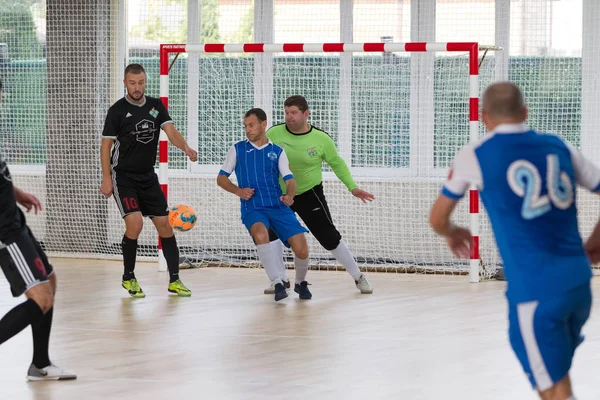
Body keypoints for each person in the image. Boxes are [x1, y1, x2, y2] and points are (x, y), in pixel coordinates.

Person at [430, 82, 598, 400]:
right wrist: (595, 243)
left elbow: (437, 219)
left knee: (554, 390)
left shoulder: (475, 154)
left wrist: (453, 232)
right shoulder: (559, 144)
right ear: (525, 112)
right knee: (556, 379)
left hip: (536, 292)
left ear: (484, 118)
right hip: (579, 284)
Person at [0, 78, 76, 380]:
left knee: (50, 282)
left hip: (15, 223)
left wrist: (16, 193)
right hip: (5, 233)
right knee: (42, 296)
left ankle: (40, 364)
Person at [100, 64, 197, 298]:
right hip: (123, 177)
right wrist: (106, 178)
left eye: (141, 82)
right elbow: (106, 146)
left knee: (164, 225)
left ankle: (174, 280)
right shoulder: (117, 111)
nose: (137, 87)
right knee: (135, 224)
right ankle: (129, 277)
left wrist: (185, 147)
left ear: (145, 82)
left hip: (148, 176)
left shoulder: (155, 106)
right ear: (125, 83)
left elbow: (171, 131)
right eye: (132, 83)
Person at [265, 95, 374, 294]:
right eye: (286, 113)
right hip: (278, 195)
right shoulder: (273, 133)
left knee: (329, 237)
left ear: (306, 114)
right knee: (272, 237)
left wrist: (352, 187)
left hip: (309, 194)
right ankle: (279, 280)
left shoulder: (321, 139)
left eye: (294, 113)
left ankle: (358, 277)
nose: (289, 117)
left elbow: (337, 164)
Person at [217, 108, 311, 301]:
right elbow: (221, 179)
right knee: (260, 234)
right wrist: (238, 191)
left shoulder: (277, 151)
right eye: (245, 126)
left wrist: (290, 195)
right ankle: (277, 282)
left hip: (278, 206)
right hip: (253, 207)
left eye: (251, 125)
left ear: (263, 124)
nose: (248, 129)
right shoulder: (238, 149)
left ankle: (300, 283)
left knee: (302, 248)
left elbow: (289, 179)